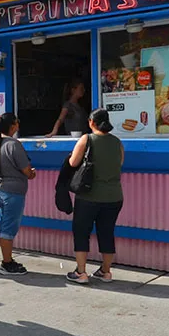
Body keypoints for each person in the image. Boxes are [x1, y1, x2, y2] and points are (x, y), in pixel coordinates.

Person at [65, 108, 124, 284]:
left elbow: (73, 162)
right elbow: (119, 163)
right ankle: (106, 271)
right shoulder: (117, 142)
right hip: (114, 196)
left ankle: (81, 272)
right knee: (107, 233)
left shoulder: (87, 139)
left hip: (89, 196)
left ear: (91, 122)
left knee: (81, 232)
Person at [0, 112, 34, 276]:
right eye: (17, 122)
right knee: (8, 227)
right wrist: (32, 173)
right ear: (13, 126)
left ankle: (7, 259)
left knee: (3, 223)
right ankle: (7, 262)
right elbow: (26, 170)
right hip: (13, 191)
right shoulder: (14, 144)